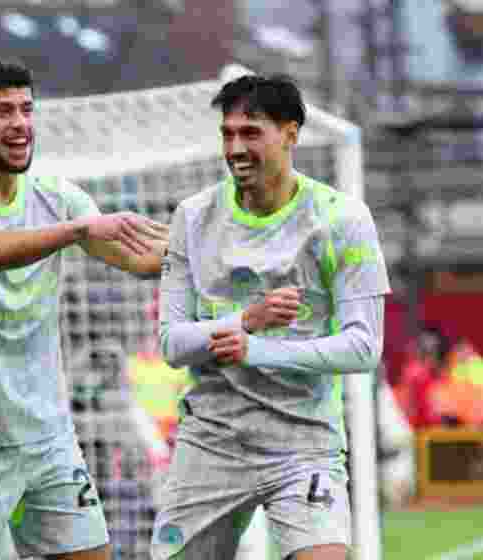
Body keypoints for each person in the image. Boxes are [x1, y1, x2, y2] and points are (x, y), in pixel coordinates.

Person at [0, 58, 167, 560]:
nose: (21, 123)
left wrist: (217, 247)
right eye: (4, 111)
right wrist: (76, 232)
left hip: (47, 434)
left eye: (27, 109)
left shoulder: (57, 196)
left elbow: (139, 257)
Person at [152, 74, 390, 560]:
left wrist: (257, 349)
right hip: (212, 443)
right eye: (228, 134)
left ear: (291, 133)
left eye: (251, 133)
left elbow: (364, 347)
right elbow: (172, 344)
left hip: (303, 442)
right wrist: (247, 320)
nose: (236, 147)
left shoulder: (341, 219)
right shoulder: (193, 217)